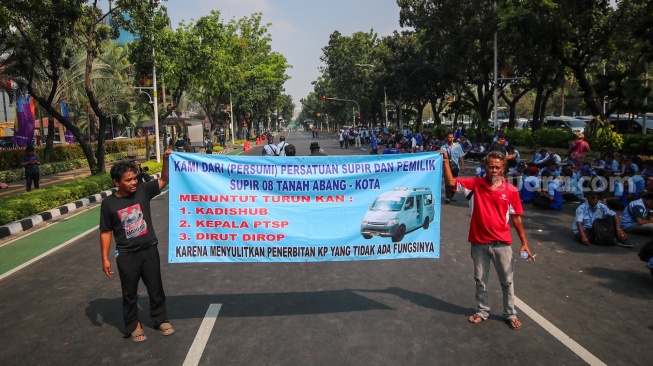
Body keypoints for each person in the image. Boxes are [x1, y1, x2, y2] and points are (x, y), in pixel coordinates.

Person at [442, 150, 534, 330]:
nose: (493, 170)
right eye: (490, 166)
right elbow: (451, 182)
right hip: (479, 243)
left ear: (503, 170)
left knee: (507, 281)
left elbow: (516, 218)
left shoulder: (511, 191)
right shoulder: (474, 185)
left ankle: (510, 313)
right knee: (480, 280)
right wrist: (446, 162)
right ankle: (482, 311)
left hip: (502, 244)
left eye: (497, 167)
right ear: (485, 167)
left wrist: (525, 243)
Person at [99, 149, 174, 342]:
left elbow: (165, 179)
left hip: (149, 249)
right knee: (129, 293)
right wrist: (105, 258)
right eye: (128, 180)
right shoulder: (109, 204)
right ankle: (134, 325)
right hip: (126, 255)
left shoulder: (143, 190)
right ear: (117, 182)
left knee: (155, 288)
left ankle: (160, 319)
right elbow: (106, 232)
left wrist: (166, 159)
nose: (133, 182)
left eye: (134, 178)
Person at [440, 132, 466, 204]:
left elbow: (461, 156)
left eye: (452, 137)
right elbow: (441, 158)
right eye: (449, 137)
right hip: (447, 168)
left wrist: (463, 166)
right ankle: (448, 197)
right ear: (446, 138)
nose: (451, 139)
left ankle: (451, 196)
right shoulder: (443, 148)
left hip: (455, 167)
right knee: (447, 182)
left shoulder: (458, 146)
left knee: (454, 182)